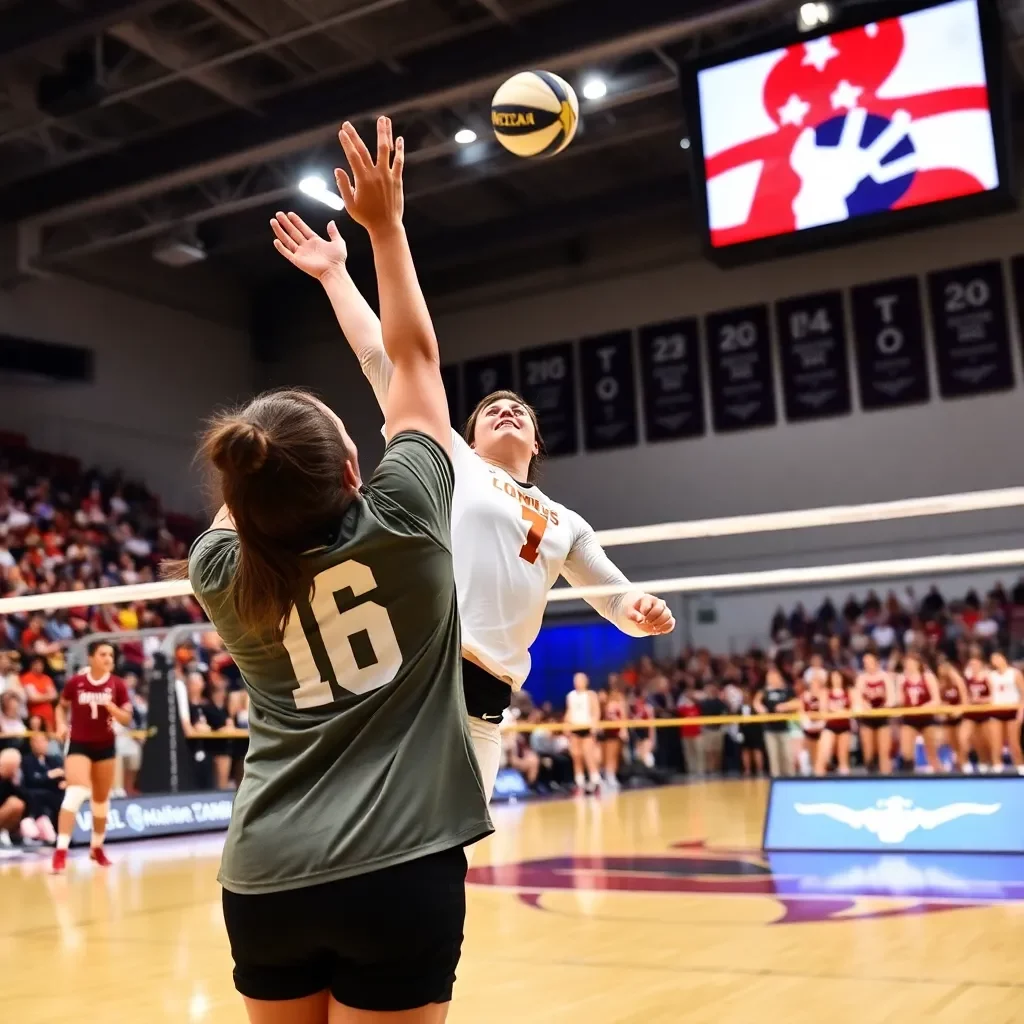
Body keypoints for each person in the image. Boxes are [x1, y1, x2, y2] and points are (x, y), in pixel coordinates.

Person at [170, 117, 492, 1024]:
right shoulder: (405, 524)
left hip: (265, 876)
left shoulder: (220, 568)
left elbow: (268, 478)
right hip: (399, 870)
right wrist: (382, 231)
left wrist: (342, 267)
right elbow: (413, 364)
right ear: (358, 470)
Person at [269, 206, 675, 803]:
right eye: (491, 410)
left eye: (520, 411)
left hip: (486, 704)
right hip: (415, 674)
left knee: (445, 868)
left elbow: (613, 597)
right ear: (471, 432)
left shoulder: (569, 522)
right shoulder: (453, 458)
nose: (506, 410)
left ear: (536, 443)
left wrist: (640, 608)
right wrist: (335, 276)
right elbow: (385, 361)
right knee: (380, 849)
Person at [51, 640, 133, 871]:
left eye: (111, 655)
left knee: (100, 801)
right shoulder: (76, 683)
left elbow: (127, 718)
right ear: (91, 658)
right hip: (79, 744)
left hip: (106, 747)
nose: (108, 658)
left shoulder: (117, 685)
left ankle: (96, 847)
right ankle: (60, 850)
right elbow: (61, 705)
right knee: (76, 792)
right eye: (103, 654)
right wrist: (59, 724)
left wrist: (113, 710)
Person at [897, 653, 941, 773]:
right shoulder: (902, 679)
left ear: (918, 663)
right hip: (909, 719)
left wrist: (922, 708)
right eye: (907, 663)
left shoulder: (927, 677)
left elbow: (936, 699)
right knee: (906, 753)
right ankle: (910, 777)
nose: (909, 665)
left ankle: (940, 779)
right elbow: (900, 700)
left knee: (931, 753)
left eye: (912, 662)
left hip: (927, 718)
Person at [854, 652, 896, 775]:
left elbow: (892, 698)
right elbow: (857, 697)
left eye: (869, 662)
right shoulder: (861, 678)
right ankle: (870, 778)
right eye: (865, 663)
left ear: (876, 663)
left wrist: (884, 705)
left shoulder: (885, 677)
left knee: (884, 751)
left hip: (882, 717)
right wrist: (863, 705)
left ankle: (886, 778)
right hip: (867, 718)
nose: (867, 665)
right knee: (868, 752)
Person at [754, 667, 797, 777]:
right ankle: (776, 779)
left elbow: (797, 702)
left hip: (785, 728)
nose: (771, 679)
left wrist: (785, 706)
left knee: (788, 755)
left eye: (773, 676)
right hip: (770, 729)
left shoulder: (787, 690)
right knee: (774, 756)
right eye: (769, 677)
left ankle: (790, 778)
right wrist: (761, 708)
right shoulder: (765, 691)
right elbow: (756, 702)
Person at [986, 651, 1024, 774]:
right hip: (997, 710)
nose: (996, 661)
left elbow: (1023, 693)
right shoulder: (991, 675)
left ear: (1004, 658)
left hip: (1012, 710)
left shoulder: (1014, 673)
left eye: (998, 658)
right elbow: (992, 694)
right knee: (996, 743)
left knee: (1014, 743)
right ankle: (997, 768)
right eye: (993, 659)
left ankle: (1020, 767)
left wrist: (1021, 711)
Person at [564, 672, 601, 793]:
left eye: (580, 680)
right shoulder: (571, 696)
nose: (578, 682)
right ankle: (579, 782)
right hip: (575, 728)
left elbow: (596, 711)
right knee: (576, 755)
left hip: (587, 727)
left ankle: (595, 780)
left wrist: (594, 726)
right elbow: (569, 711)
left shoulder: (590, 695)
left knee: (588, 754)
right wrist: (566, 726)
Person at [816, 670, 853, 776]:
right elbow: (823, 712)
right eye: (834, 677)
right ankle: (818, 781)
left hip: (845, 726)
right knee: (824, 754)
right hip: (830, 726)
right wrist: (839, 712)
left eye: (838, 677)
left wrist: (842, 712)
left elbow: (855, 709)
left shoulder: (849, 691)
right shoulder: (826, 692)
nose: (836, 680)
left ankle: (844, 782)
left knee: (843, 757)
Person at [962, 646, 992, 772]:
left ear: (981, 665)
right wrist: (968, 701)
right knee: (964, 737)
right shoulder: (967, 679)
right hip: (971, 713)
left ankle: (985, 762)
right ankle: (965, 763)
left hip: (985, 712)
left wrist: (981, 700)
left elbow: (993, 696)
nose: (973, 666)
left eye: (975, 664)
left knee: (984, 740)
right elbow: (964, 696)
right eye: (971, 664)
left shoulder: (987, 677)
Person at [935, 656, 968, 771]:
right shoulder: (939, 684)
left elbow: (964, 698)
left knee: (962, 740)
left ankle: (964, 763)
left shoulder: (957, 681)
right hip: (947, 717)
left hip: (961, 716)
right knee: (951, 742)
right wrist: (942, 711)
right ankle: (956, 764)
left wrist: (959, 710)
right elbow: (939, 701)